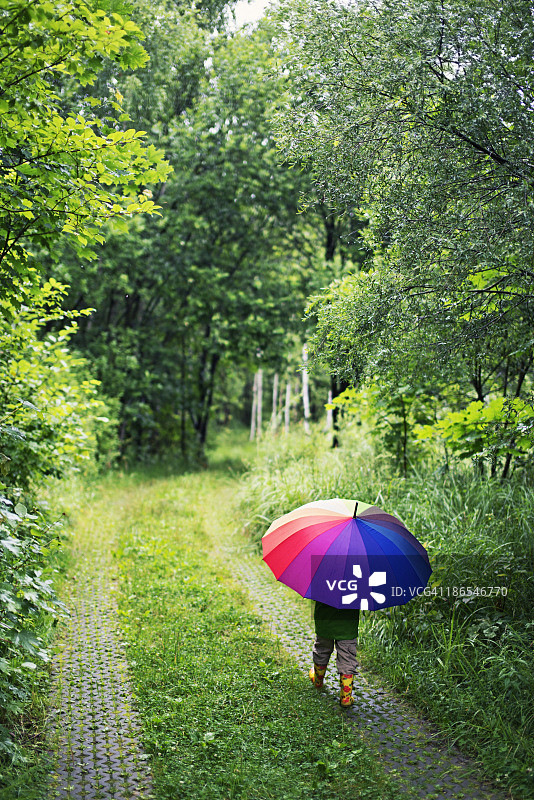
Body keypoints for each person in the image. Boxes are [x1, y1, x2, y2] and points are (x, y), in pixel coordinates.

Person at [309, 601, 360, 707]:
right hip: (347, 625)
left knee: (321, 650)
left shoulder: (322, 583)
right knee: (347, 657)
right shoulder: (358, 584)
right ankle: (346, 698)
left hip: (324, 621)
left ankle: (318, 681)